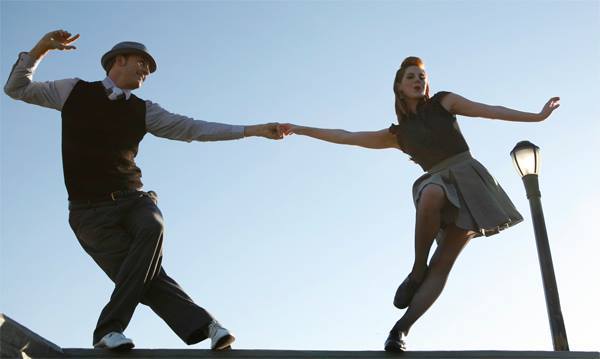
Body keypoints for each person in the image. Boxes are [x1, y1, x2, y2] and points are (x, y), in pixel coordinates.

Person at [4, 29, 284, 351]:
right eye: (142, 63)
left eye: (149, 69)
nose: (146, 72)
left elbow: (193, 128)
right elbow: (16, 88)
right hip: (88, 215)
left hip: (134, 200)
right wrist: (40, 50)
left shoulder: (144, 110)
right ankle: (206, 326)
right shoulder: (73, 90)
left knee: (153, 225)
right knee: (141, 278)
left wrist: (253, 131)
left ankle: (109, 330)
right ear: (118, 60)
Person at [281, 56, 560, 351]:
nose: (419, 80)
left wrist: (537, 116)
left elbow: (491, 111)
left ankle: (399, 331)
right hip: (437, 180)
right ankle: (417, 269)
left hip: (470, 182)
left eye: (422, 77)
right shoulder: (397, 135)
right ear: (399, 88)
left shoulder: (444, 102)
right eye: (411, 77)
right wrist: (300, 128)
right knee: (432, 193)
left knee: (442, 265)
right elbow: (345, 136)